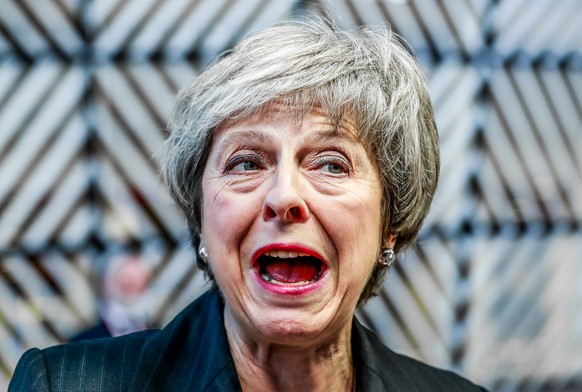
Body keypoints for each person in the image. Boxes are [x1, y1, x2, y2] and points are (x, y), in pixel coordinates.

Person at [9, 15, 487, 391]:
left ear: (391, 222)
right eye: (246, 163)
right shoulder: (65, 384)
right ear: (201, 217)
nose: (284, 197)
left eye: (331, 164)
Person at [70, 254, 152, 341]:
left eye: (136, 283)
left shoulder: (159, 340)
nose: (131, 286)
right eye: (124, 282)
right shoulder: (81, 343)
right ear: (104, 284)